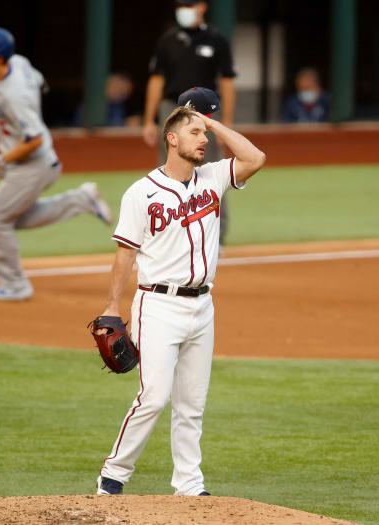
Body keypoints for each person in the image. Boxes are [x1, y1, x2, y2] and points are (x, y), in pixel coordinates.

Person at [95, 103, 266, 496]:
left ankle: (189, 484)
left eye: (204, 134)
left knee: (192, 404)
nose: (204, 140)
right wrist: (111, 306)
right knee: (153, 398)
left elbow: (255, 157)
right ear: (171, 139)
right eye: (194, 133)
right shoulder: (142, 192)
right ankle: (113, 476)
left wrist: (210, 121)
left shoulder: (213, 178)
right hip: (158, 305)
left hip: (203, 307)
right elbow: (125, 252)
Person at [0, 27, 112, 301]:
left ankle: (15, 284)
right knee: (12, 219)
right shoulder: (18, 62)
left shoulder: (13, 95)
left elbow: (33, 138)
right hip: (37, 162)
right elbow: (40, 82)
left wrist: (1, 158)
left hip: (31, 165)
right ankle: (81, 200)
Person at [142, 0, 236, 246]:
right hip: (171, 108)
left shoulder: (217, 40)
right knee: (168, 169)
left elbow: (227, 81)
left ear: (202, 7)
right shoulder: (167, 40)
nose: (183, 8)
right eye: (180, 4)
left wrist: (226, 124)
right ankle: (170, 232)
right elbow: (156, 80)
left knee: (211, 170)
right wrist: (149, 120)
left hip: (205, 112)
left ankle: (216, 237)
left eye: (188, 4)